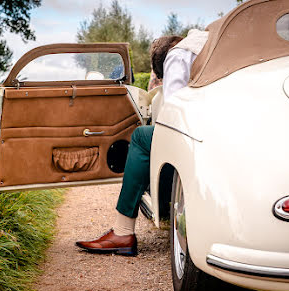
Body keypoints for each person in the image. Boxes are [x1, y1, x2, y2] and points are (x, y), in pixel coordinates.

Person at [76, 29, 209, 256]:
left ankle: (123, 231)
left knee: (141, 136)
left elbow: (175, 110)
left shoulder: (181, 54)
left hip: (200, 134)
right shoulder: (211, 45)